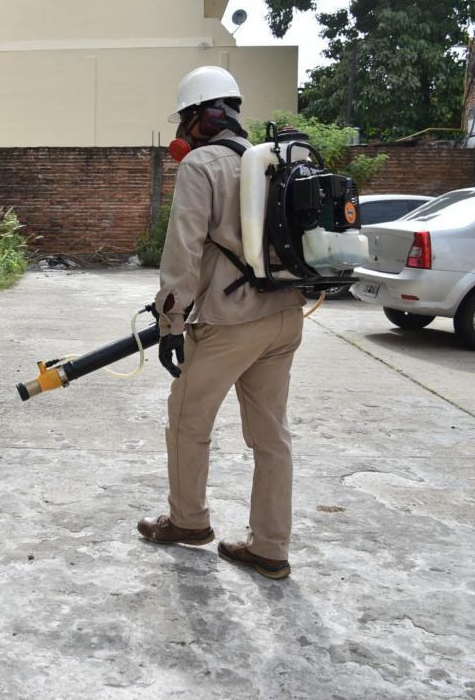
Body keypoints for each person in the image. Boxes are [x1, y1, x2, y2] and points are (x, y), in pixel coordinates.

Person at [137, 66, 305, 580]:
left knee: (188, 420)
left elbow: (182, 254)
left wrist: (170, 325)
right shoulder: (276, 159)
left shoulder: (202, 167)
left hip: (231, 323)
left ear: (198, 117)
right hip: (284, 316)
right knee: (271, 436)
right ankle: (270, 548)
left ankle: (189, 521)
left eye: (185, 121)